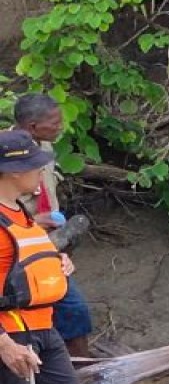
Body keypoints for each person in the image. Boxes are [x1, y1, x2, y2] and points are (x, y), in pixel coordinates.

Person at [0, 130, 99, 384]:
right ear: (10, 170)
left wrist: (58, 264)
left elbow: (27, 260)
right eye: (34, 165)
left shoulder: (22, 214)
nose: (41, 171)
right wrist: (4, 344)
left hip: (43, 326)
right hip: (10, 332)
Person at [12, 94, 94, 360]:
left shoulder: (44, 150)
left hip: (49, 249)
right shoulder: (7, 154)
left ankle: (83, 374)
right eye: (54, 123)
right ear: (33, 126)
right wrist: (37, 222)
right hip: (17, 254)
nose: (61, 127)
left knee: (74, 312)